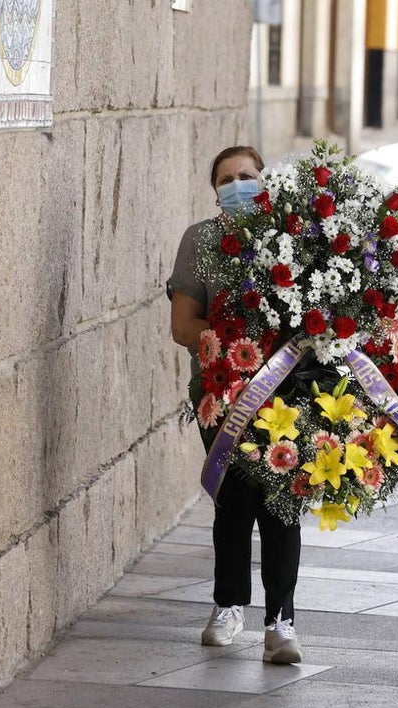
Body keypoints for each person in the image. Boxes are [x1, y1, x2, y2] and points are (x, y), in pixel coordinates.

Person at [166, 145, 304, 664]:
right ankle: (228, 605)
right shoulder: (201, 241)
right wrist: (240, 342)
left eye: (247, 175)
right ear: (215, 190)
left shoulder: (293, 239)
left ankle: (281, 622)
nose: (239, 184)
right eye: (228, 178)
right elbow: (183, 326)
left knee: (281, 501)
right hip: (221, 390)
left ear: (264, 181)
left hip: (287, 391)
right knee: (235, 499)